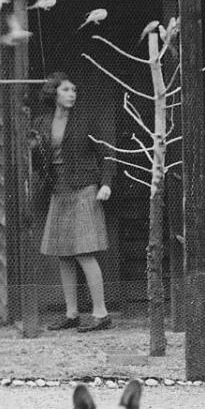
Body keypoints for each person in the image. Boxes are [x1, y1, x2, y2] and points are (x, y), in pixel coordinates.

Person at [30, 72, 115, 332]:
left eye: (74, 90)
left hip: (83, 191)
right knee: (64, 255)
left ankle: (101, 315)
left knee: (84, 253)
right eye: (66, 90)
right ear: (54, 93)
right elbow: (38, 161)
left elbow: (108, 155)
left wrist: (106, 184)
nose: (71, 94)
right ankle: (72, 314)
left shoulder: (85, 121)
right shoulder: (42, 122)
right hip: (58, 191)